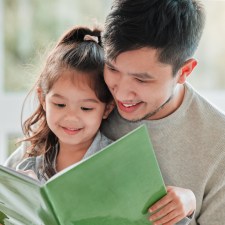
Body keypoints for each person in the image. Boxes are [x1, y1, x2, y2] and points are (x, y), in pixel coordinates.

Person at [101, 0, 225, 225]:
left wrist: (186, 210)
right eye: (112, 68)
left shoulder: (220, 145)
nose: (120, 93)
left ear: (184, 72)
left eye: (141, 79)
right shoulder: (91, 97)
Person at [4, 25, 114, 183]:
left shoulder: (116, 160)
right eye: (60, 105)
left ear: (107, 108)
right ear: (43, 99)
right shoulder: (30, 155)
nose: (71, 117)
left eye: (86, 108)